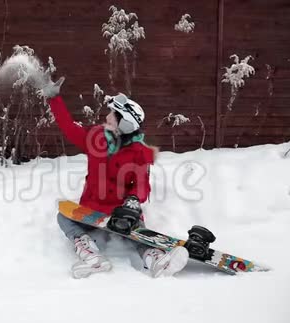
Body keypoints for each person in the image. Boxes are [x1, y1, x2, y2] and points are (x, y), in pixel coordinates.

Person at [38, 77, 189, 279]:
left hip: (122, 213)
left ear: (124, 124)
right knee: (63, 216)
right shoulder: (95, 137)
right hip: (91, 211)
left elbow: (142, 184)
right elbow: (68, 127)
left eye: (113, 115)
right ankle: (91, 256)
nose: (108, 117)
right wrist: (54, 98)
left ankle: (155, 259)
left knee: (139, 232)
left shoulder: (139, 152)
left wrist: (134, 201)